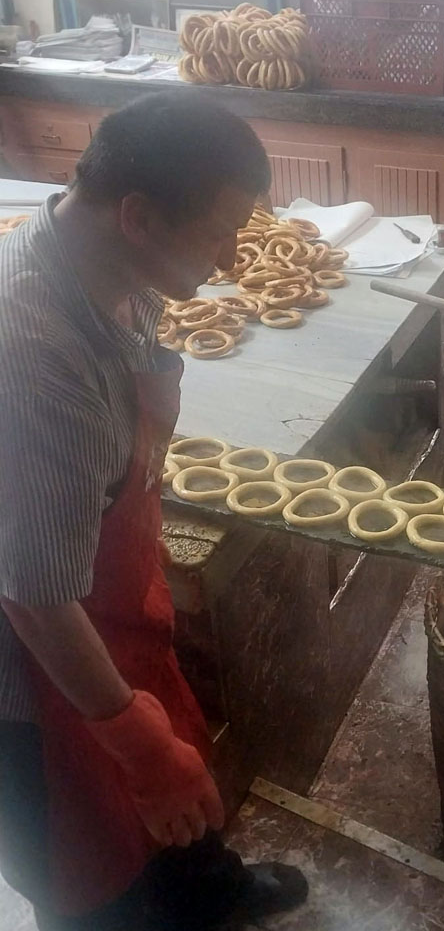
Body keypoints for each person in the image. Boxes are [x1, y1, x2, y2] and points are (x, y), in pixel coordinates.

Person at [0, 93, 308, 930]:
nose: (234, 257)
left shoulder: (114, 268)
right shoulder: (32, 353)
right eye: (219, 233)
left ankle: (207, 890)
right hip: (34, 669)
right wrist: (136, 745)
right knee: (92, 868)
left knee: (180, 782)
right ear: (137, 216)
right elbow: (33, 593)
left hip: (113, 605)